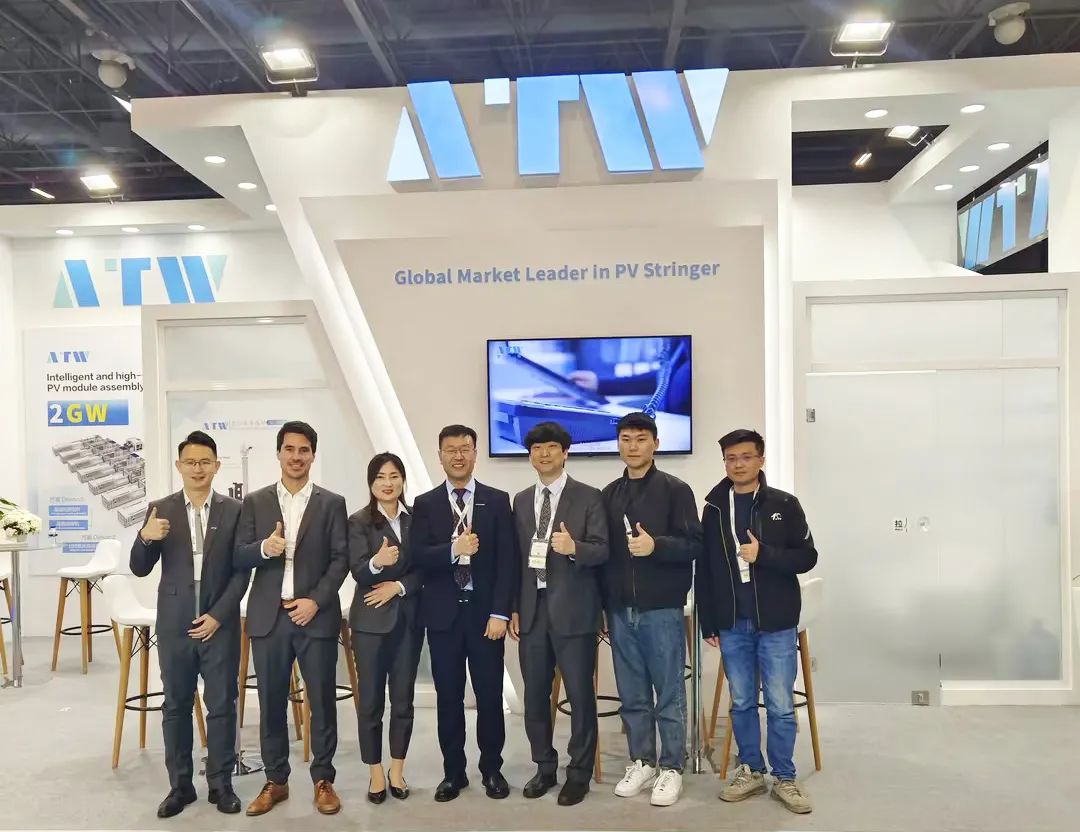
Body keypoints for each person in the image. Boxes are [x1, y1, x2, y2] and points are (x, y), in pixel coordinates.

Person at [696, 428, 818, 815]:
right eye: (731, 458)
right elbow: (705, 569)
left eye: (746, 457)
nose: (738, 464)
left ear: (761, 460)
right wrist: (708, 622)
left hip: (776, 622)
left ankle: (784, 776)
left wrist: (764, 554)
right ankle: (751, 769)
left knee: (780, 704)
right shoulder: (714, 508)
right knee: (743, 702)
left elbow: (807, 557)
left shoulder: (784, 503)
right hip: (733, 622)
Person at [130, 430, 247, 818]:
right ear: (179, 466)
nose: (198, 469)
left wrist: (219, 615)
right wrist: (145, 538)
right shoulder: (160, 509)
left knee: (222, 706)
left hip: (219, 624)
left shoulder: (235, 510)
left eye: (205, 462)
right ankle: (180, 786)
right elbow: (139, 568)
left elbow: (242, 572)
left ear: (217, 465)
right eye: (191, 462)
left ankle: (221, 784)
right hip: (175, 625)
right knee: (176, 706)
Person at [234, 421, 348, 816]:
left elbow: (340, 560)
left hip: (314, 615)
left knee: (322, 700)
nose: (296, 457)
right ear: (279, 453)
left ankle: (323, 780)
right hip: (269, 616)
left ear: (313, 455)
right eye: (289, 449)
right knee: (270, 702)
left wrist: (315, 601)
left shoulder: (331, 503)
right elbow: (239, 554)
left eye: (303, 450)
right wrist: (264, 548)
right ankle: (276, 781)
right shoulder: (255, 502)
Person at [410, 424, 516, 802]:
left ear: (475, 453)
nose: (458, 456)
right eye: (451, 450)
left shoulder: (497, 500)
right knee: (449, 699)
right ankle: (453, 773)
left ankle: (492, 770)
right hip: (443, 617)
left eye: (465, 449)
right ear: (440, 456)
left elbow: (507, 562)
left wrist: (501, 612)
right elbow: (417, 556)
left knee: (489, 698)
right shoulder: (425, 503)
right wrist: (453, 550)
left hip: (485, 616)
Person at [601, 411, 701, 807]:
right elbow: (605, 556)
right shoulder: (609, 494)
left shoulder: (676, 490)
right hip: (620, 610)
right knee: (632, 695)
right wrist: (603, 605)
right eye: (626, 439)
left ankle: (672, 766)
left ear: (656, 444)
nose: (633, 446)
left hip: (662, 609)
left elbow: (695, 545)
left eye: (641, 439)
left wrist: (656, 545)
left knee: (668, 694)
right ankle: (642, 761)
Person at [509, 421, 608, 806]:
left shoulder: (589, 497)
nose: (544, 454)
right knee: (535, 696)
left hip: (574, 612)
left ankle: (578, 774)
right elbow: (516, 558)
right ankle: (544, 767)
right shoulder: (521, 500)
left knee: (580, 696)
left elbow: (603, 550)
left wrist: (574, 548)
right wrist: (514, 607)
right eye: (537, 448)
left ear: (565, 453)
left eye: (551, 447)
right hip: (532, 612)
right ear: (530, 455)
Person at [347, 452, 423, 804]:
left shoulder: (417, 519)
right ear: (371, 483)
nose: (387, 483)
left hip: (408, 622)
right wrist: (377, 562)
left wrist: (399, 586)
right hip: (370, 624)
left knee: (403, 700)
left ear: (403, 480)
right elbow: (358, 571)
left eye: (394, 476)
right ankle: (375, 772)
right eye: (380, 477)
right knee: (371, 702)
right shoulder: (359, 521)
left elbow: (426, 568)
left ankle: (397, 770)